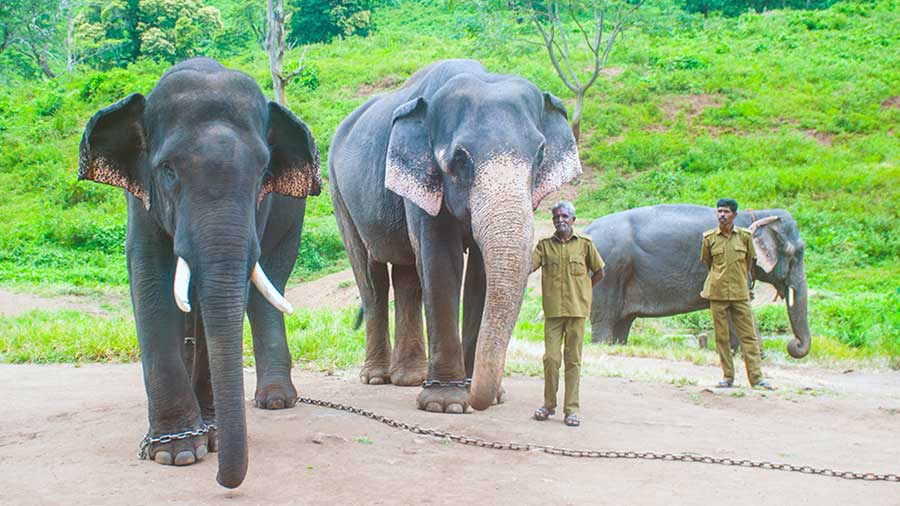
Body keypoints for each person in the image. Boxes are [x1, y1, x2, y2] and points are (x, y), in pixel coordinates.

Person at [531, 201, 604, 427]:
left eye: (564, 216)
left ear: (573, 219)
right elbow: (529, 266)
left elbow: (600, 271)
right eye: (556, 217)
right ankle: (548, 405)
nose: (559, 220)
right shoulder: (544, 246)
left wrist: (583, 291)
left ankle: (571, 409)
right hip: (553, 312)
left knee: (573, 360)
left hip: (577, 312)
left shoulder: (584, 245)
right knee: (551, 359)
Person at [701, 198, 773, 390]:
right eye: (719, 211)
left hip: (740, 293)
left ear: (734, 214)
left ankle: (756, 378)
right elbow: (708, 263)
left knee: (748, 336)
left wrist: (740, 279)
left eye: (726, 212)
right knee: (721, 337)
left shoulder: (744, 237)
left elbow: (749, 262)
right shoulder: (709, 238)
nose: (722, 215)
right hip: (717, 293)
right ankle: (727, 377)